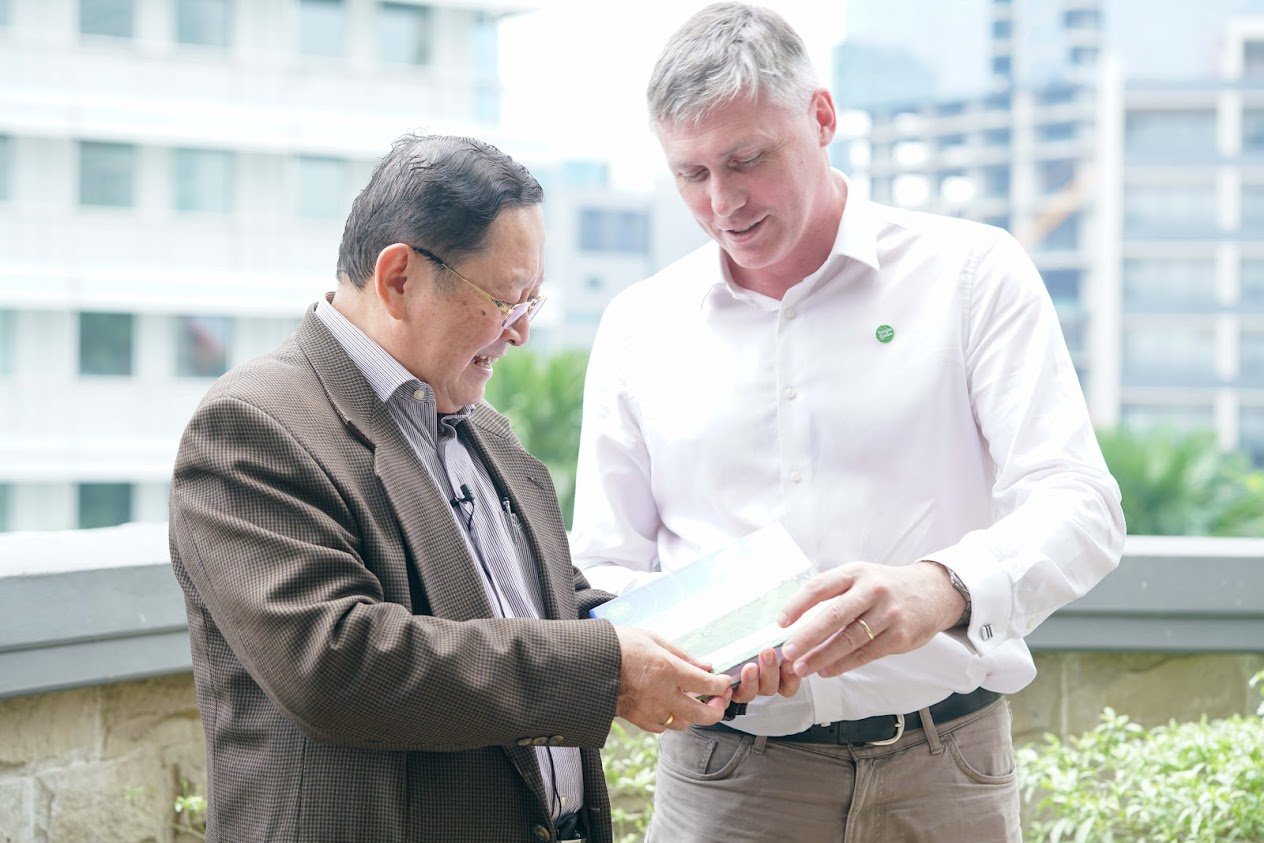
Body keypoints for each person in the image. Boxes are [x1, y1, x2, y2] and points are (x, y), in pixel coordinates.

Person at [570, 4, 1126, 840]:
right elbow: (606, 566)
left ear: (822, 117)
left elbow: (1082, 504)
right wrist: (678, 662)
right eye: (692, 174)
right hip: (727, 781)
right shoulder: (638, 324)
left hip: (948, 769)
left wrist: (941, 589)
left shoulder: (973, 275)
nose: (723, 202)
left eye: (748, 160)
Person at [168, 133, 733, 843]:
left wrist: (706, 636)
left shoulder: (482, 427)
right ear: (399, 277)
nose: (522, 332)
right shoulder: (254, 425)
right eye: (504, 300)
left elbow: (540, 607)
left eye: (533, 300)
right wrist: (606, 667)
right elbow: (338, 660)